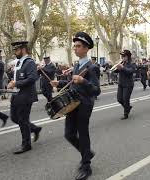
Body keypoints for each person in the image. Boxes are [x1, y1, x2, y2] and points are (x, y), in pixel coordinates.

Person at [50, 32, 100, 180]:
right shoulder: (78, 64)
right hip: (72, 103)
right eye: (75, 46)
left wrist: (83, 81)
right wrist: (59, 83)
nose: (75, 49)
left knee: (83, 133)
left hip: (84, 104)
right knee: (69, 134)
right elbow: (73, 85)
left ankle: (86, 165)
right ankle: (87, 153)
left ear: (86, 49)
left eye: (78, 46)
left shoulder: (92, 67)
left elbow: (96, 90)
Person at [7, 41, 42, 154]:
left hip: (26, 95)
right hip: (16, 94)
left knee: (22, 120)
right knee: (14, 117)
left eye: (16, 50)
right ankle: (34, 129)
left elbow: (32, 78)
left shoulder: (29, 62)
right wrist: (12, 83)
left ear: (23, 49)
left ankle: (26, 144)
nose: (15, 52)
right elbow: (18, 78)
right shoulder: (18, 63)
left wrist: (16, 84)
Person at [114, 50, 135, 120]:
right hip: (121, 83)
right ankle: (128, 107)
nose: (122, 57)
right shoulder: (122, 63)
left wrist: (122, 67)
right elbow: (115, 71)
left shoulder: (132, 63)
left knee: (126, 99)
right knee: (119, 99)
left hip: (128, 84)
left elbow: (130, 71)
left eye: (124, 56)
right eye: (122, 56)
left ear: (128, 57)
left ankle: (126, 114)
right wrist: (116, 67)